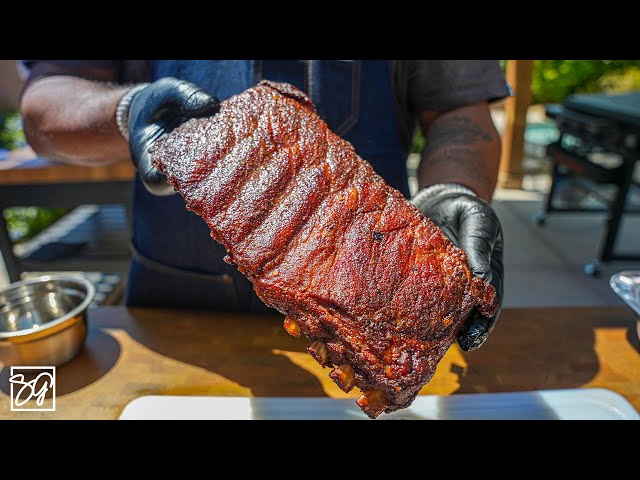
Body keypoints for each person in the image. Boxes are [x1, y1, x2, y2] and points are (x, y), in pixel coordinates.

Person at [19, 60, 508, 351]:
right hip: (177, 317)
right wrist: (126, 110)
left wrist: (452, 189)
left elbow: (459, 112)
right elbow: (46, 105)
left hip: (372, 303)